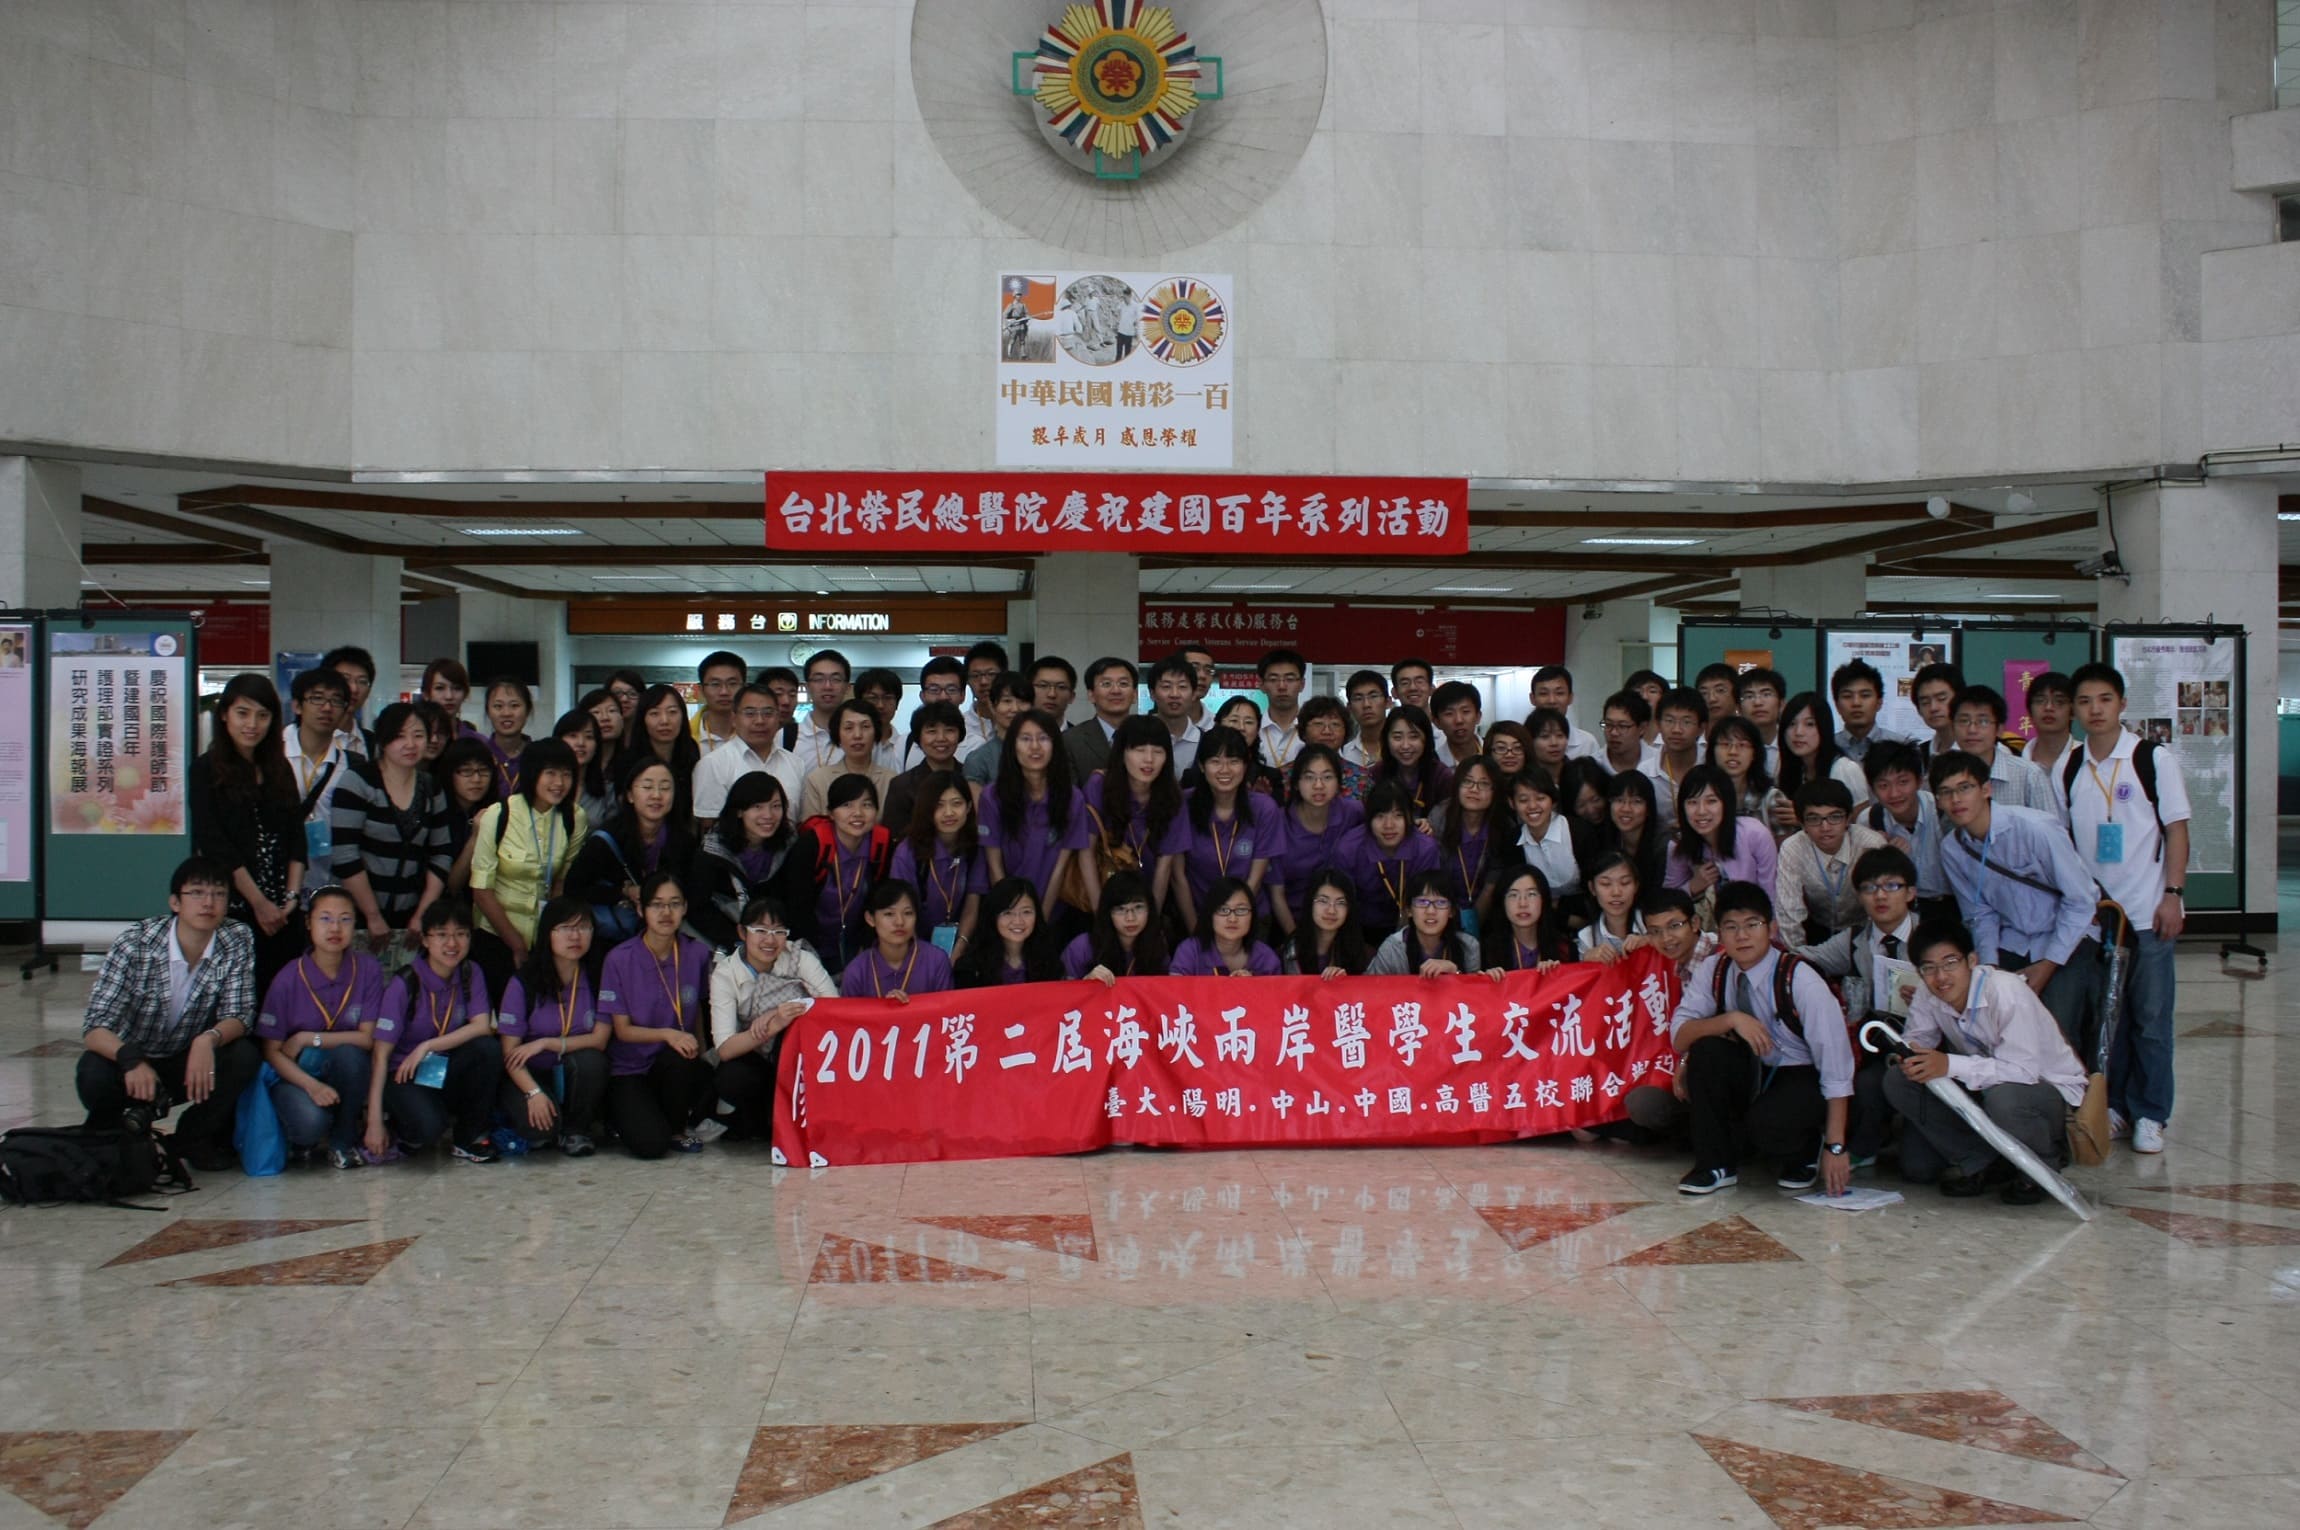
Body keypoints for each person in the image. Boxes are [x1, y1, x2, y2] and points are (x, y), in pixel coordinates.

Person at [2057, 661, 2190, 1155]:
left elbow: (2176, 829)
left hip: (2148, 913)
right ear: (2074, 710)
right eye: (2085, 701)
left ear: (2122, 704)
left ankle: (2151, 1112)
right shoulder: (2071, 766)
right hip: (2096, 921)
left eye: (2105, 699)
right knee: (2105, 1020)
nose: (2095, 710)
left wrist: (2173, 894)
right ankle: (2113, 1105)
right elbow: (2064, 842)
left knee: (2150, 1019)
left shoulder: (2152, 759)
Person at [1666, 881, 1854, 1196]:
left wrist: (1836, 1146)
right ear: (1719, 934)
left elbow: (1837, 1067)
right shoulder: (1714, 968)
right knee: (1707, 1050)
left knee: (1767, 1125)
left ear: (1772, 928)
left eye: (1752, 925)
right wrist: (1730, 1019)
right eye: (1731, 927)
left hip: (1798, 1072)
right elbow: (1680, 1035)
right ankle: (1715, 1166)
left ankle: (1806, 1150)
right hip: (1749, 1068)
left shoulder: (1801, 979)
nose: (1742, 936)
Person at [1885, 919, 2089, 1204]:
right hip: (1986, 1087)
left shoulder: (2006, 991)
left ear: (1971, 961)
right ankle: (1981, 1160)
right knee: (1900, 1080)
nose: (1940, 977)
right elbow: (1918, 1039)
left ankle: (2043, 1165)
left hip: (2045, 1094)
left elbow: (2022, 1072)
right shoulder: (1927, 993)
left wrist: (1948, 1064)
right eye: (1928, 968)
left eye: (1950, 963)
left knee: (2004, 1098)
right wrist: (1909, 1055)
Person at [76, 857, 260, 1172]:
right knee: (92, 1071)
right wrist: (131, 1059)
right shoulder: (136, 943)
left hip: (187, 1061)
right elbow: (95, 1026)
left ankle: (191, 1138)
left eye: (218, 894)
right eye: (197, 893)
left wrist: (208, 1040)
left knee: (244, 1055)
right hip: (134, 1062)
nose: (208, 903)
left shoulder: (236, 938)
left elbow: (240, 1014)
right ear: (175, 902)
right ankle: (120, 1137)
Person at [1932, 749, 2102, 1055]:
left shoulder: (2036, 828)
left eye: (1964, 788)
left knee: (2057, 1031)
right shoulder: (1952, 849)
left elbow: (2081, 901)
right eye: (1946, 792)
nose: (1956, 800)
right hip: (2012, 941)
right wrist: (1989, 970)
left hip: (2067, 937)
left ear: (1986, 789)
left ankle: (2074, 1086)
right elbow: (1979, 913)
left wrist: (2048, 965)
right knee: (1992, 1023)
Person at [1794, 845, 1925, 1168]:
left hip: (1931, 1044)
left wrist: (1931, 997)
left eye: (1891, 885)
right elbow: (1805, 958)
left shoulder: (1931, 937)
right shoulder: (1855, 940)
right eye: (1869, 888)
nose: (1880, 896)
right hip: (1879, 1045)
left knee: (1918, 1166)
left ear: (1910, 893)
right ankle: (1865, 1145)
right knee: (1864, 1079)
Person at [364, 899, 504, 1164]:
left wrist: (427, 1046)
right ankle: (399, 1128)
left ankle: (468, 1139)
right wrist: (373, 1121)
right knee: (429, 1129)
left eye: (461, 934)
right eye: (441, 935)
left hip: (440, 1066)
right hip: (404, 1073)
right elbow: (380, 1055)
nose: (452, 943)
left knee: (487, 1049)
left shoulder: (470, 972)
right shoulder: (406, 982)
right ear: (425, 940)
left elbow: (482, 1026)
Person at [190, 673, 306, 994]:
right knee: (238, 998)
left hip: (284, 912)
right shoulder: (205, 770)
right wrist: (259, 903)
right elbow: (215, 843)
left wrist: (291, 898)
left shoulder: (279, 768)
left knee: (283, 998)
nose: (252, 724)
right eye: (243, 713)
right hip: (235, 909)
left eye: (262, 715)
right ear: (224, 714)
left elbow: (297, 837)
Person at [257, 888, 382, 1169]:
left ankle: (343, 1141)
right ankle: (302, 1139)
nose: (335, 928)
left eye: (345, 919)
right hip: (296, 1076)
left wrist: (307, 1038)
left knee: (351, 1055)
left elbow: (367, 1038)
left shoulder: (367, 969)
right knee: (311, 1123)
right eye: (325, 918)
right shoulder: (288, 978)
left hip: (343, 1068)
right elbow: (272, 1051)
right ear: (308, 923)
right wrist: (311, 1086)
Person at [599, 871, 716, 1157]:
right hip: (630, 1068)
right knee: (650, 1146)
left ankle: (677, 1129)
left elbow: (698, 1011)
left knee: (685, 1060)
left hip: (672, 1064)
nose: (666, 913)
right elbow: (622, 1030)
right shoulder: (619, 958)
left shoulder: (697, 953)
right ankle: (622, 1118)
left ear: (685, 908)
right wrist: (668, 1034)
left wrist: (701, 1056)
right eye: (657, 904)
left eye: (674, 904)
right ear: (641, 909)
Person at [328, 701, 452, 966]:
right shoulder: (358, 781)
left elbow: (442, 853)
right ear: (383, 741)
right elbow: (345, 855)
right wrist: (372, 915)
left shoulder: (431, 788)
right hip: (358, 914)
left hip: (412, 917)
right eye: (400, 736)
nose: (410, 744)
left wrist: (422, 913)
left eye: (418, 735)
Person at [709, 896, 837, 1139]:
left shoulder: (801, 959)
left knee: (791, 1035)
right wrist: (773, 1024)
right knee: (731, 1077)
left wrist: (782, 1011)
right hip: (757, 1059)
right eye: (760, 931)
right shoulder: (726, 974)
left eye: (779, 931)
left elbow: (834, 1009)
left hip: (801, 1057)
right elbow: (725, 1048)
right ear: (742, 932)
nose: (770, 940)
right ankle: (764, 1120)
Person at [469, 738, 587, 1001]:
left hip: (545, 939)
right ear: (533, 773)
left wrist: (549, 940)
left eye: (567, 774)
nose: (559, 783)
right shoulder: (499, 815)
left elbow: (561, 882)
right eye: (551, 773)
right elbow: (481, 890)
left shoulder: (574, 817)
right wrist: (517, 946)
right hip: (496, 936)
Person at [494, 898, 610, 1156]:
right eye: (566, 928)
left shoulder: (596, 976)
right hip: (529, 1073)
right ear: (548, 933)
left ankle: (576, 1130)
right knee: (540, 1132)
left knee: (593, 1061)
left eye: (583, 927)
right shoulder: (523, 982)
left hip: (573, 1070)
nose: (575, 936)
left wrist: (547, 1043)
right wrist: (533, 1092)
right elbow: (510, 1053)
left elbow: (600, 1039)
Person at [568, 754, 695, 946]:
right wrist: (623, 892)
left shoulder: (684, 842)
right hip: (612, 939)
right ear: (629, 795)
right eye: (647, 787)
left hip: (667, 936)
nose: (656, 795)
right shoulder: (606, 840)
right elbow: (574, 888)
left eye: (665, 788)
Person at [978, 709, 1091, 923]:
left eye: (1043, 738)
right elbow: (994, 865)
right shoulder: (992, 796)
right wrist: (1013, 916)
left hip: (1055, 911)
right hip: (1005, 912)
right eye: (1025, 739)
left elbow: (1059, 868)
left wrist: (1040, 923)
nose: (1035, 747)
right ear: (1012, 746)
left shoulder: (1072, 798)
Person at [777, 772, 894, 970]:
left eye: (866, 805)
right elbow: (797, 908)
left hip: (857, 945)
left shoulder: (881, 844)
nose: (857, 813)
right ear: (830, 813)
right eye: (847, 805)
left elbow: (881, 901)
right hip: (809, 945)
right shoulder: (812, 844)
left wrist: (867, 945)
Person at [1179, 727, 1287, 927]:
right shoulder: (1183, 806)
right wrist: (1197, 934)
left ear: (1245, 766)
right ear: (1201, 766)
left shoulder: (1264, 808)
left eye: (1234, 761)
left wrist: (1234, 918)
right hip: (1198, 918)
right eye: (1215, 761)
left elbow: (1256, 878)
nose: (1225, 770)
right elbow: (1178, 877)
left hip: (1250, 918)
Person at [1085, 716, 1190, 916]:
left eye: (1158, 751)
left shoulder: (1173, 797)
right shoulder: (1099, 785)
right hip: (1102, 896)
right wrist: (1100, 912)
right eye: (1139, 750)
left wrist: (1150, 918)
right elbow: (1086, 853)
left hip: (1148, 897)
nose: (1149, 759)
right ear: (1122, 752)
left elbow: (1164, 868)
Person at [687, 770, 794, 950]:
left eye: (776, 806)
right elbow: (699, 909)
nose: (768, 815)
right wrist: (741, 942)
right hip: (726, 936)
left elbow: (795, 902)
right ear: (739, 811)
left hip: (777, 937)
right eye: (757, 807)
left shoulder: (789, 844)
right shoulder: (713, 851)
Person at [1773, 780, 1889, 945]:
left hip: (1865, 929)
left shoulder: (1871, 844)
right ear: (1802, 823)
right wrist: (1797, 957)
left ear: (1848, 819)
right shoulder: (1793, 848)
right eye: (1814, 819)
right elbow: (1789, 913)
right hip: (1817, 928)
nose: (1825, 827)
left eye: (1835, 817)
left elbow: (1885, 903)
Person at [889, 770, 988, 961]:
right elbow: (901, 910)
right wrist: (923, 958)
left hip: (960, 944)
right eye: (939, 805)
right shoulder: (908, 852)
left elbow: (972, 903)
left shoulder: (975, 848)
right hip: (913, 945)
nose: (949, 813)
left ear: (968, 807)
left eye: (956, 803)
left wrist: (960, 947)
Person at [1665, 764, 1778, 918]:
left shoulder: (1755, 834)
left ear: (1726, 803)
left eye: (1711, 801)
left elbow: (1772, 896)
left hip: (1754, 923)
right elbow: (1667, 903)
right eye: (1692, 802)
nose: (1701, 811)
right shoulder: (1678, 845)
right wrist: (1692, 886)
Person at [1274, 745, 1363, 936]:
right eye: (1309, 777)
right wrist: (1295, 942)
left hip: (1342, 920)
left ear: (1339, 782)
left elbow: (1384, 824)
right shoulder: (1279, 822)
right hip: (1292, 921)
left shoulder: (1353, 812)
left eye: (1327, 777)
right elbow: (1276, 894)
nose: (1319, 785)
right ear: (1295, 783)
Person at [1338, 781, 1439, 945]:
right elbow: (1342, 905)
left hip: (1412, 925)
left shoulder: (1425, 848)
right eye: (1380, 816)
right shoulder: (1349, 848)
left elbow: (1428, 900)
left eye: (1398, 815)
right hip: (1360, 927)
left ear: (1410, 817)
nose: (1389, 825)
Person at [692, 682, 803, 830]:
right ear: (734, 719)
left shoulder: (796, 764)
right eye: (750, 713)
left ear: (778, 718)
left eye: (768, 713)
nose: (760, 721)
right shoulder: (713, 764)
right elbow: (709, 826)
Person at [1861, 743, 1952, 921]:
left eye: (1903, 782)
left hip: (1950, 904)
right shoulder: (1870, 820)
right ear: (1872, 789)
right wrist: (1883, 857)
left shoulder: (1942, 812)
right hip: (1902, 909)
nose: (1894, 794)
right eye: (1883, 785)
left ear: (1919, 781)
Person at [284, 666, 355, 894]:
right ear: (297, 706)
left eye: (336, 700)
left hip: (332, 883)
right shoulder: (274, 755)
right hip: (281, 880)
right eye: (317, 698)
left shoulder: (351, 765)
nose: (327, 707)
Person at [1770, 692, 1871, 834]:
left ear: (1824, 727)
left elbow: (1862, 827)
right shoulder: (1789, 768)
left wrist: (1805, 819)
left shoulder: (1845, 769)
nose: (1798, 732)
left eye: (1809, 724)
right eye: (1791, 724)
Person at [841, 879, 958, 998]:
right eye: (889, 914)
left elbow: (948, 1008)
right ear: (870, 919)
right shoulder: (856, 972)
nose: (900, 922)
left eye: (908, 913)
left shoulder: (936, 962)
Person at [1952, 685, 2056, 813]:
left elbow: (2051, 825)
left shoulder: (2030, 775)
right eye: (1963, 721)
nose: (1972, 729)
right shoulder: (1943, 775)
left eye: (1983, 721)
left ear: (2000, 729)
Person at [1428, 756, 1504, 931]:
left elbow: (1491, 885)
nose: (1474, 790)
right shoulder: (1439, 819)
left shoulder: (1503, 826)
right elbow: (1434, 879)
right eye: (1467, 782)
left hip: (1489, 917)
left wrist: (1473, 928)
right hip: (1442, 911)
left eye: (1484, 784)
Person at [1503, 765, 1593, 908]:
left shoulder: (1579, 831)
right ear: (1512, 803)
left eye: (1540, 798)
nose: (1532, 806)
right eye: (1523, 800)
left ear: (1553, 800)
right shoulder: (1512, 841)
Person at [881, 700, 968, 838]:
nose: (941, 738)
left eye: (949, 730)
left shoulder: (971, 778)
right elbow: (895, 837)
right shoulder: (902, 786)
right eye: (932, 731)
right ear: (918, 737)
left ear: (960, 735)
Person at [800, 698, 897, 820]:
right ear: (838, 734)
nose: (857, 735)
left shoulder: (891, 781)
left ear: (876, 733)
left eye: (865, 726)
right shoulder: (818, 780)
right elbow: (811, 826)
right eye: (848, 728)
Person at [1368, 871, 1480, 977]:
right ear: (1409, 910)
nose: (1431, 911)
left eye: (1440, 902)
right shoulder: (1392, 949)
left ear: (1452, 911)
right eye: (1422, 902)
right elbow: (1371, 987)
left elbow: (1474, 989)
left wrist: (1456, 973)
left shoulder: (1468, 946)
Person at [1065, 868, 1170, 981]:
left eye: (1138, 907)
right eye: (1120, 909)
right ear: (1108, 913)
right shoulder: (1083, 947)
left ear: (1150, 910)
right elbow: (1060, 989)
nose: (1130, 918)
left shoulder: (1157, 944)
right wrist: (1086, 981)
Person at [1169, 877, 1282, 976]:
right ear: (1210, 914)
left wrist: (1253, 986)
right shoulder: (1190, 951)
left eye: (1241, 910)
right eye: (1223, 910)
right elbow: (1174, 991)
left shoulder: (1266, 958)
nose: (1232, 919)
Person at [963, 877, 1065, 987]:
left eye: (1026, 912)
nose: (1018, 921)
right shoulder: (971, 967)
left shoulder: (1049, 962)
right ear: (993, 916)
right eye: (1008, 913)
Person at [1480, 864, 1572, 973]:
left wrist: (1556, 973)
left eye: (1531, 894)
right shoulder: (1488, 950)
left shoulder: (1564, 948)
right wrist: (1487, 980)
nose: (1523, 903)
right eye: (1513, 895)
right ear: (1502, 902)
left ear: (1543, 900)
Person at [632, 683, 704, 822]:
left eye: (672, 712)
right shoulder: (630, 759)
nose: (664, 721)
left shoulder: (691, 750)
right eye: (654, 713)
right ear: (642, 719)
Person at [435, 735, 498, 893]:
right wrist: (476, 836)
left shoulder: (496, 811)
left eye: (483, 770)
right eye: (466, 771)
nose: (476, 779)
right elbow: (449, 888)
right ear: (450, 773)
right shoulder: (438, 814)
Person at [1281, 870, 1369, 978]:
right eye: (1323, 901)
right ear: (1310, 903)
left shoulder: (1362, 952)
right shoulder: (1292, 950)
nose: (1331, 910)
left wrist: (1346, 982)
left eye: (1341, 902)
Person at [1064, 656, 1138, 780]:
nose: (1116, 690)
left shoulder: (1150, 735)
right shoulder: (1070, 740)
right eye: (1106, 684)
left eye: (1123, 684)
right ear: (1091, 695)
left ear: (1135, 695)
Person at [1598, 768, 1668, 896]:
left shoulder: (1664, 845)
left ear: (1649, 808)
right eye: (1619, 800)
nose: (1626, 809)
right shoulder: (1602, 839)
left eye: (1636, 802)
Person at [1204, 695, 1289, 800]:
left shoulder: (1271, 777)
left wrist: (1261, 799)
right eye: (1234, 720)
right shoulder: (1195, 775)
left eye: (1249, 722)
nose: (1241, 727)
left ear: (1258, 730)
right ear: (1218, 724)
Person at [1644, 687, 1706, 833]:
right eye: (1669, 721)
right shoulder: (1645, 772)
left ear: (1701, 728)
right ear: (1658, 724)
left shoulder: (1713, 765)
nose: (1676, 729)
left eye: (1686, 722)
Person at [1375, 704, 1451, 820]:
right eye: (1397, 737)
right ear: (1386, 740)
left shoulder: (1442, 776)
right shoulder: (1376, 774)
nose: (1405, 746)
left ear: (1426, 739)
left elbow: (1449, 821)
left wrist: (1432, 825)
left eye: (1414, 737)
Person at [960, 672, 1032, 793]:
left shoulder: (1042, 751)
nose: (1015, 709)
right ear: (992, 706)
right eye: (1007, 701)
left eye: (1022, 701)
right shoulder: (978, 759)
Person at [791, 648, 858, 772]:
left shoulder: (859, 736)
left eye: (836, 679)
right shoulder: (786, 736)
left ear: (847, 687)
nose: (827, 686)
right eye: (818, 679)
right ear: (807, 687)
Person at [1704, 716, 1778, 825]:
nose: (1733, 752)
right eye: (1725, 744)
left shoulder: (1770, 798)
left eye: (1742, 745)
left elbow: (1784, 837)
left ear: (1754, 753)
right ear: (1712, 751)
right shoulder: (1700, 794)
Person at [1832, 658, 1907, 761]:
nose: (1856, 703)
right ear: (1837, 705)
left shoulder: (1901, 747)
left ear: (1879, 703)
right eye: (1847, 696)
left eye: (1865, 695)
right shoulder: (1826, 748)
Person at [1575, 850, 1646, 958]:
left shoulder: (1650, 922)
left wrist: (1651, 941)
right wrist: (1587, 959)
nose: (1616, 892)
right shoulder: (1587, 938)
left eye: (1625, 882)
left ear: (1636, 886)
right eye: (1606, 884)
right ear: (1592, 888)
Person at [552, 709, 611, 828]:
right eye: (573, 736)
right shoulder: (544, 785)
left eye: (589, 737)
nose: (581, 743)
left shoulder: (606, 790)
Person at [479, 677, 535, 800]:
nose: (506, 713)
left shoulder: (538, 756)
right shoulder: (479, 755)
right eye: (498, 706)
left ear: (528, 710)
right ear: (488, 711)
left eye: (514, 705)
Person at [1146, 655, 1203, 773]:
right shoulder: (1135, 736)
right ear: (1152, 694)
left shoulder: (1205, 740)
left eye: (1182, 686)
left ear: (1193, 694)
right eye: (1166, 686)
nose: (1174, 694)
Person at [1530, 666, 1599, 760]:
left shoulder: (1587, 743)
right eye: (1543, 693)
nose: (1552, 700)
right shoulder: (1520, 740)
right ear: (1532, 698)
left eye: (1559, 693)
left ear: (1570, 698)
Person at [1256, 648, 1308, 771]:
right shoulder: (1251, 729)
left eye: (1290, 679)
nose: (1282, 686)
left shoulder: (1314, 728)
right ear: (1262, 685)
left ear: (1302, 684)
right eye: (1273, 679)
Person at [321, 645, 378, 753]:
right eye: (345, 679)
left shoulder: (371, 742)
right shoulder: (304, 738)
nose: (354, 689)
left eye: (362, 681)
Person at [958, 641, 1010, 759]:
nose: (983, 682)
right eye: (976, 675)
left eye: (991, 674)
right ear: (968, 681)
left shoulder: (1020, 721)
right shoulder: (961, 724)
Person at [691, 650, 747, 756]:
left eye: (732, 683)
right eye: (715, 684)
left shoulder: (757, 733)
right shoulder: (684, 736)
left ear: (744, 688)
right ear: (701, 690)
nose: (724, 692)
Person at [2024, 671, 2078, 779]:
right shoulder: (2016, 761)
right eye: (2040, 701)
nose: (2048, 707)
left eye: (2059, 702)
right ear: (2029, 712)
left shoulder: (2086, 759)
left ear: (2073, 711)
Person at [1733, 667, 1786, 774]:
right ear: (1738, 708)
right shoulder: (1731, 748)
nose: (1758, 702)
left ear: (1781, 704)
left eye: (1766, 694)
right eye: (1749, 696)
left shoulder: (1792, 742)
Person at [1911, 662, 1964, 761]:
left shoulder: (1978, 750)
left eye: (1941, 698)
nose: (1933, 708)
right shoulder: (1918, 756)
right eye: (1925, 702)